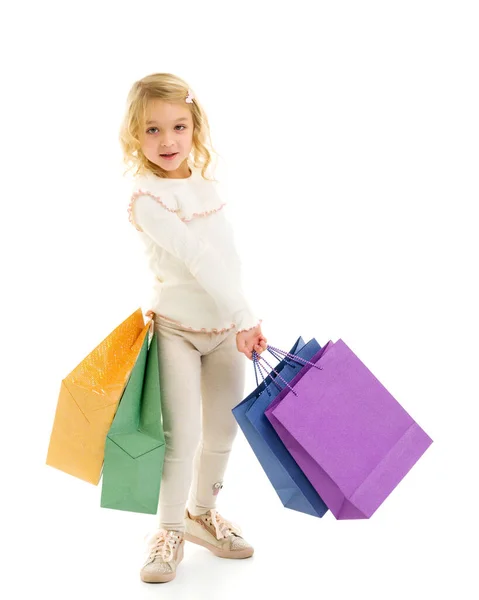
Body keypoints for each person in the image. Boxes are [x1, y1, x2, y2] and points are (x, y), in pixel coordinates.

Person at [120, 72, 268, 584]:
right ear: (134, 137)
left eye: (178, 126)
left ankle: (201, 514)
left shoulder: (205, 186)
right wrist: (246, 315)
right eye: (152, 130)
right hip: (178, 329)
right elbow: (197, 257)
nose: (167, 141)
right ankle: (167, 532)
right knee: (181, 436)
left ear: (195, 127)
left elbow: (227, 257)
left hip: (224, 328)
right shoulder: (145, 197)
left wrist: (242, 321)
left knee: (223, 431)